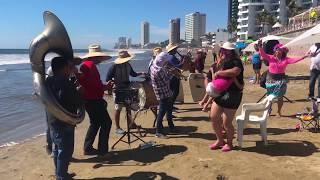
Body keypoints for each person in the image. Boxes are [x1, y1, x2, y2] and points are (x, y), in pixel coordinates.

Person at [46, 57, 83, 179]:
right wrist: (79, 91)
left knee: (57, 149)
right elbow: (74, 100)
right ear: (63, 68)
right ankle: (62, 176)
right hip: (65, 121)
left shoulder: (48, 81)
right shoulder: (65, 82)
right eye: (68, 67)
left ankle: (60, 174)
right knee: (65, 151)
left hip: (52, 120)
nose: (70, 69)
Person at [258, 40, 309, 116]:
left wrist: (304, 56)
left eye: (280, 51)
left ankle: (278, 111)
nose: (278, 52)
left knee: (280, 97)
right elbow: (263, 54)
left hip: (281, 80)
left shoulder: (286, 59)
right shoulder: (271, 58)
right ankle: (268, 110)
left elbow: (294, 60)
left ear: (282, 52)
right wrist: (260, 47)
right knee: (269, 96)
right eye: (277, 50)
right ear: (274, 51)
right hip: (270, 80)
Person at [78, 44, 113, 156]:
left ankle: (88, 148)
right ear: (96, 57)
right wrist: (106, 87)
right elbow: (94, 85)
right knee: (106, 123)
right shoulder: (90, 66)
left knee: (95, 123)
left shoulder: (85, 65)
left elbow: (90, 84)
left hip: (89, 99)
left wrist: (104, 86)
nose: (101, 60)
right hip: (94, 100)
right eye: (99, 57)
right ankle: (102, 150)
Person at [209, 42, 244, 152]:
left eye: (227, 50)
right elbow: (214, 73)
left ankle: (229, 143)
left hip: (233, 93)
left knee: (226, 123)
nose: (225, 52)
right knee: (214, 118)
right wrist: (219, 64)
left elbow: (235, 71)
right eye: (224, 50)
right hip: (221, 92)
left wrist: (220, 72)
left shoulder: (236, 61)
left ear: (232, 51)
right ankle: (220, 140)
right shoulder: (222, 60)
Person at [106, 51, 145, 134]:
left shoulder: (128, 65)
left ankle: (131, 124)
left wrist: (141, 73)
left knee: (129, 105)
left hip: (127, 87)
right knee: (118, 108)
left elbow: (133, 74)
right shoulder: (114, 67)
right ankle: (117, 128)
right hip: (118, 89)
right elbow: (107, 79)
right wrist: (112, 83)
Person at [150, 52, 177, 138]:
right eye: (165, 61)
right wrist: (172, 73)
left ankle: (171, 126)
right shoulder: (159, 70)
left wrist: (168, 71)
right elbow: (166, 81)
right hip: (163, 91)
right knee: (162, 111)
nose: (166, 62)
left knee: (167, 108)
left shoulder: (154, 66)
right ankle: (158, 132)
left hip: (161, 90)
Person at [166, 43, 184, 111]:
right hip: (174, 76)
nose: (176, 50)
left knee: (171, 92)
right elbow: (178, 66)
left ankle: (171, 106)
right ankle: (170, 106)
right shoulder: (172, 57)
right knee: (175, 92)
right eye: (175, 49)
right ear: (172, 50)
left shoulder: (169, 56)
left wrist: (181, 60)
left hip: (171, 76)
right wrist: (183, 61)